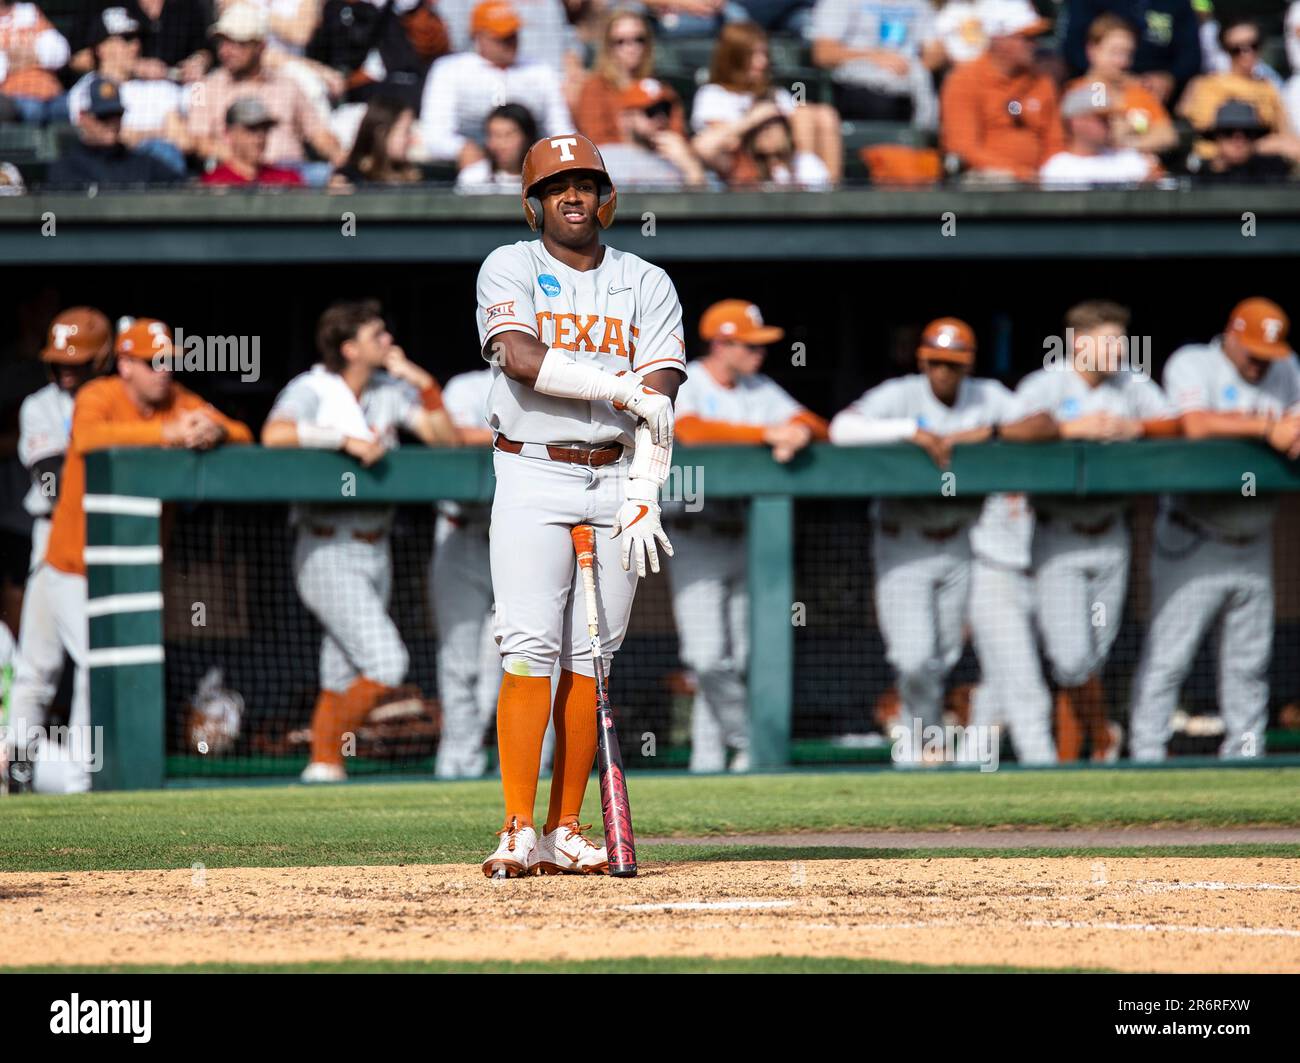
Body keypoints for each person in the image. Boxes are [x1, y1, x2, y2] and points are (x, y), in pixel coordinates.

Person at [476, 133, 685, 877]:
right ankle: (516, 825)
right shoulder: (511, 263)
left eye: (586, 183)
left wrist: (644, 492)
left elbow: (661, 392)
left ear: (608, 198)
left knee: (592, 658)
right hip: (533, 470)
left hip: (616, 474)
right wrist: (617, 385)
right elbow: (521, 359)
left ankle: (566, 827)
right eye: (557, 185)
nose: (573, 195)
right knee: (528, 645)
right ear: (533, 204)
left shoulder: (647, 280)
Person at [6, 318, 252, 794]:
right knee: (38, 675)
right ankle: (18, 771)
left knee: (96, 674)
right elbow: (92, 439)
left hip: (112, 573)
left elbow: (241, 431)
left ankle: (72, 778)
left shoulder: (179, 400)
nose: (163, 372)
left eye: (169, 363)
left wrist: (213, 431)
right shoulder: (100, 396)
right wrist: (169, 434)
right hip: (64, 563)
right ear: (124, 364)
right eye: (152, 363)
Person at [830, 318, 1047, 762]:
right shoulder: (900, 395)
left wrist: (987, 433)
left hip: (959, 542)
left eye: (953, 363)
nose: (943, 372)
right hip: (903, 541)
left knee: (943, 656)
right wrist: (909, 430)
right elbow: (841, 430)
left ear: (967, 364)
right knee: (913, 658)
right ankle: (921, 743)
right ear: (922, 360)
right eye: (935, 362)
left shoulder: (987, 396)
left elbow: (1044, 424)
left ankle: (925, 749)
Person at [261, 300, 459, 783]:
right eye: (378, 336)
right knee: (387, 661)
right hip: (326, 544)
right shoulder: (314, 388)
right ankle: (318, 747)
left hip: (376, 545)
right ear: (349, 348)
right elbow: (274, 434)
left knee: (342, 669)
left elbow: (446, 441)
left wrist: (424, 383)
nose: (388, 342)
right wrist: (342, 441)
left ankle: (324, 766)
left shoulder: (390, 390)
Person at [1129, 299, 1300, 762]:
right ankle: (1144, 755)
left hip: (1255, 537)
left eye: (1266, 354)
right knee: (1170, 657)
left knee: (1250, 662)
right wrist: (1267, 427)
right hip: (1194, 536)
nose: (1259, 362)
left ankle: (1245, 752)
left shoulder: (1286, 368)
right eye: (1251, 352)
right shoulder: (1194, 362)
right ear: (1230, 335)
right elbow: (1196, 425)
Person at [1011, 300, 1174, 762]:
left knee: (1091, 660)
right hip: (1057, 532)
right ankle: (1102, 735)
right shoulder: (1045, 384)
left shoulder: (1132, 385)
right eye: (1109, 341)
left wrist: (1134, 426)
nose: (1119, 350)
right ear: (1079, 343)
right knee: (1070, 658)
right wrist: (1068, 428)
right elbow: (1012, 430)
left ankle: (1077, 762)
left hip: (1111, 533)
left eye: (1121, 340)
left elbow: (1175, 426)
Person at [671, 299, 826, 772]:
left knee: (741, 658)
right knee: (704, 657)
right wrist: (766, 433)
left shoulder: (759, 388)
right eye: (750, 345)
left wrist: (796, 431)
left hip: (746, 536)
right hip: (693, 530)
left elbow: (819, 424)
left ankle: (710, 761)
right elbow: (690, 430)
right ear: (721, 343)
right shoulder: (688, 379)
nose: (760, 354)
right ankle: (750, 739)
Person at [431, 367, 499, 778]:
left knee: (510, 657)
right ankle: (454, 765)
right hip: (460, 531)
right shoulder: (465, 385)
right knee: (459, 659)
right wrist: (523, 439)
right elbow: (451, 438)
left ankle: (476, 759)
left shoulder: (548, 380)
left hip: (515, 534)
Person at [187, 3, 345, 177]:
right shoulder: (201, 87)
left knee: (334, 178)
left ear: (260, 46)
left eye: (237, 43)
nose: (226, 51)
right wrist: (241, 158)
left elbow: (318, 132)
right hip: (237, 174)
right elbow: (196, 139)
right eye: (222, 42)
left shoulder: (289, 84)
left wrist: (338, 156)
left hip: (291, 169)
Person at [417, 0, 573, 168]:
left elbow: (561, 129)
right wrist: (460, 149)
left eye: (513, 35)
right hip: (473, 162)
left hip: (533, 162)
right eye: (502, 37)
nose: (510, 42)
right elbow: (435, 133)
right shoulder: (450, 69)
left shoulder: (540, 71)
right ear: (478, 36)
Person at [692, 21, 842, 183]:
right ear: (734, 56)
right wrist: (756, 117)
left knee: (823, 114)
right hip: (741, 167)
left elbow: (793, 131)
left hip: (785, 160)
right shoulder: (713, 94)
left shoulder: (775, 93)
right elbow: (720, 143)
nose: (761, 62)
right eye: (753, 55)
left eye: (763, 54)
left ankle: (827, 190)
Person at [940, 0, 1063, 181]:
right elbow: (962, 147)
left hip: (1038, 180)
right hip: (985, 181)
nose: (1034, 44)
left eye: (1034, 38)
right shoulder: (965, 80)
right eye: (1025, 38)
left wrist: (1046, 173)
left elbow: (1055, 142)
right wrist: (1019, 174)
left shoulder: (1041, 82)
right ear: (1000, 40)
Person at [67, 6, 190, 177]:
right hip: (109, 170)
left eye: (137, 39)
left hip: (157, 173)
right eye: (126, 39)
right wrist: (159, 133)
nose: (135, 46)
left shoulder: (160, 87)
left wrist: (136, 136)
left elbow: (183, 140)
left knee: (164, 151)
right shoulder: (85, 90)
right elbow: (105, 137)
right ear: (101, 48)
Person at [1180, 17, 1300, 166]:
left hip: (1265, 165)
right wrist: (1256, 146)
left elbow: (1284, 131)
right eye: (1237, 49)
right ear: (1226, 51)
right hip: (1216, 165)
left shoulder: (1268, 86)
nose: (1247, 53)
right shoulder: (1209, 85)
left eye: (1253, 45)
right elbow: (1209, 135)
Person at [809, 0, 943, 125]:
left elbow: (936, 52)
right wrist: (874, 57)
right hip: (858, 85)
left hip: (912, 84)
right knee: (883, 105)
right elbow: (823, 53)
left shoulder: (919, 4)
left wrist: (911, 68)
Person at [1064, 13, 1177, 154]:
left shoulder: (1138, 92)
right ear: (1092, 50)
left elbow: (1167, 136)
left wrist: (1130, 142)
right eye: (1114, 53)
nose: (1122, 62)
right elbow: (1100, 135)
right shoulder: (1079, 92)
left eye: (1127, 54)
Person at [574, 8, 687, 146]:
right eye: (620, 41)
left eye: (639, 39)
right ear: (608, 46)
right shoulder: (595, 89)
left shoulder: (663, 92)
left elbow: (679, 138)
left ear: (648, 43)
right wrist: (631, 133)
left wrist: (655, 134)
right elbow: (594, 144)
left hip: (660, 162)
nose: (631, 48)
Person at [46, 76, 184, 188]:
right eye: (103, 117)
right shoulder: (67, 169)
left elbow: (184, 190)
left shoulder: (143, 164)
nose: (112, 124)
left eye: (117, 115)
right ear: (82, 117)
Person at [1062, 0, 1202, 105]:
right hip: (1100, 85)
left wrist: (1170, 77)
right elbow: (1074, 49)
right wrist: (1121, 78)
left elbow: (1191, 55)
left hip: (1157, 91)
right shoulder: (1079, 94)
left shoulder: (1177, 3)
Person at [599, 78, 710, 188]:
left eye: (665, 109)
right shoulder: (604, 159)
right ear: (626, 118)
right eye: (651, 111)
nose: (661, 117)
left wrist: (690, 167)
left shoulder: (677, 160)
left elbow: (697, 203)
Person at [1040, 85, 1161, 186]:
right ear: (1077, 122)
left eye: (1109, 118)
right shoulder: (1059, 168)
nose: (1108, 124)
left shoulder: (1130, 160)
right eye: (1101, 119)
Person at [71, 0, 214, 83]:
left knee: (200, 97)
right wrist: (134, 66)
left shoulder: (188, 5)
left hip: (180, 88)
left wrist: (198, 62)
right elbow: (76, 58)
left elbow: (204, 49)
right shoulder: (104, 3)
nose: (133, 45)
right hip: (122, 90)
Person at [202, 96, 306, 185]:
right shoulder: (215, 182)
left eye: (264, 129)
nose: (260, 137)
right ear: (229, 133)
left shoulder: (288, 179)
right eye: (252, 129)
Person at [0, 0, 70, 123]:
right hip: (13, 97)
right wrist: (7, 61)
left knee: (78, 108)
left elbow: (62, 53)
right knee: (34, 110)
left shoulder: (28, 11)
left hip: (52, 93)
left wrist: (20, 57)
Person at [332, 95, 421, 188]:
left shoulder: (414, 177)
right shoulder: (349, 181)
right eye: (406, 132)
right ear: (382, 134)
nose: (412, 139)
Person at [1195, 100, 1294, 183]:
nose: (1239, 140)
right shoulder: (1199, 176)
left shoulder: (1273, 170)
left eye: (1247, 133)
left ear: (1255, 137)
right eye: (1228, 132)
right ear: (1216, 136)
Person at [455, 102, 536, 192]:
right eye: (495, 135)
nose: (501, 145)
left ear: (527, 137)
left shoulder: (542, 177)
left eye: (508, 135)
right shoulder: (472, 177)